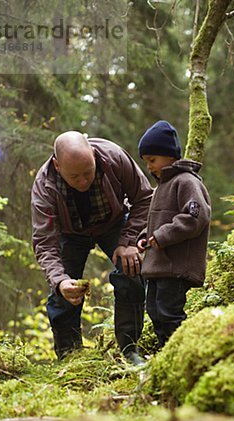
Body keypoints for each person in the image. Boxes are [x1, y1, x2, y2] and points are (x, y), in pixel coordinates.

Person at [31, 131, 152, 362]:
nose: (84, 181)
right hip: (71, 234)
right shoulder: (44, 188)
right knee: (63, 292)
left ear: (94, 155)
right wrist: (59, 281)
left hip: (114, 223)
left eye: (88, 172)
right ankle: (70, 357)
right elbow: (45, 243)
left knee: (131, 269)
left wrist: (129, 242)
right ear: (57, 166)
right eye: (75, 176)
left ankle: (130, 350)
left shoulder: (114, 157)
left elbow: (145, 198)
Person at [136, 120, 211, 347]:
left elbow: (195, 217)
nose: (149, 167)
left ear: (170, 156)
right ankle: (165, 350)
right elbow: (155, 222)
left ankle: (181, 350)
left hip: (177, 267)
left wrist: (162, 235)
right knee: (155, 312)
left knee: (169, 313)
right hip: (158, 267)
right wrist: (144, 236)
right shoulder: (161, 187)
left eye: (152, 160)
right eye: (146, 162)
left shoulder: (186, 181)